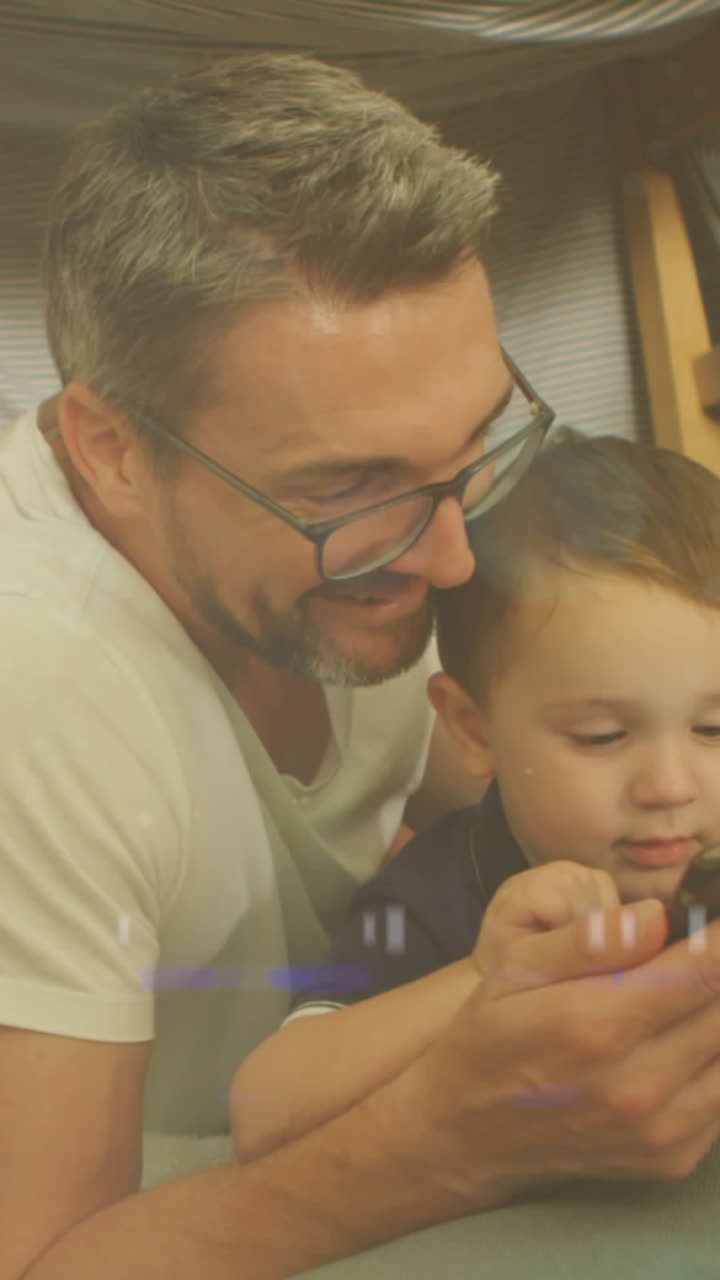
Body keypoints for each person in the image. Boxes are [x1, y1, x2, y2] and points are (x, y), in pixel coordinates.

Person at [3, 50, 720, 1280]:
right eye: (350, 489)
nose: (453, 556)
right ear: (112, 450)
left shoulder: (405, 547)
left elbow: (487, 795)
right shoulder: (43, 689)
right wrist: (454, 1139)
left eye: (477, 440)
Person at [228, 429, 720, 1160]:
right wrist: (485, 975)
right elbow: (264, 1110)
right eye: (600, 736)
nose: (671, 787)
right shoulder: (444, 896)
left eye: (715, 726)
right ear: (472, 728)